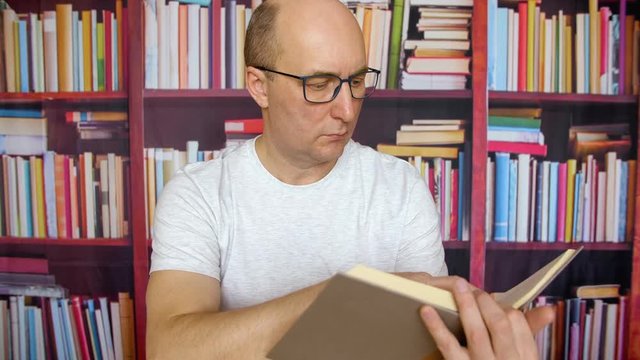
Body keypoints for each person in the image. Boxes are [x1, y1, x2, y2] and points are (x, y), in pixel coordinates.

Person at [146, 0, 554, 358]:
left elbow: (427, 346)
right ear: (259, 86)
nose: (346, 109)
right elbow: (172, 349)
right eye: (319, 85)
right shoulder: (197, 194)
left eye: (356, 82)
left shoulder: (402, 189)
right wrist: (338, 301)